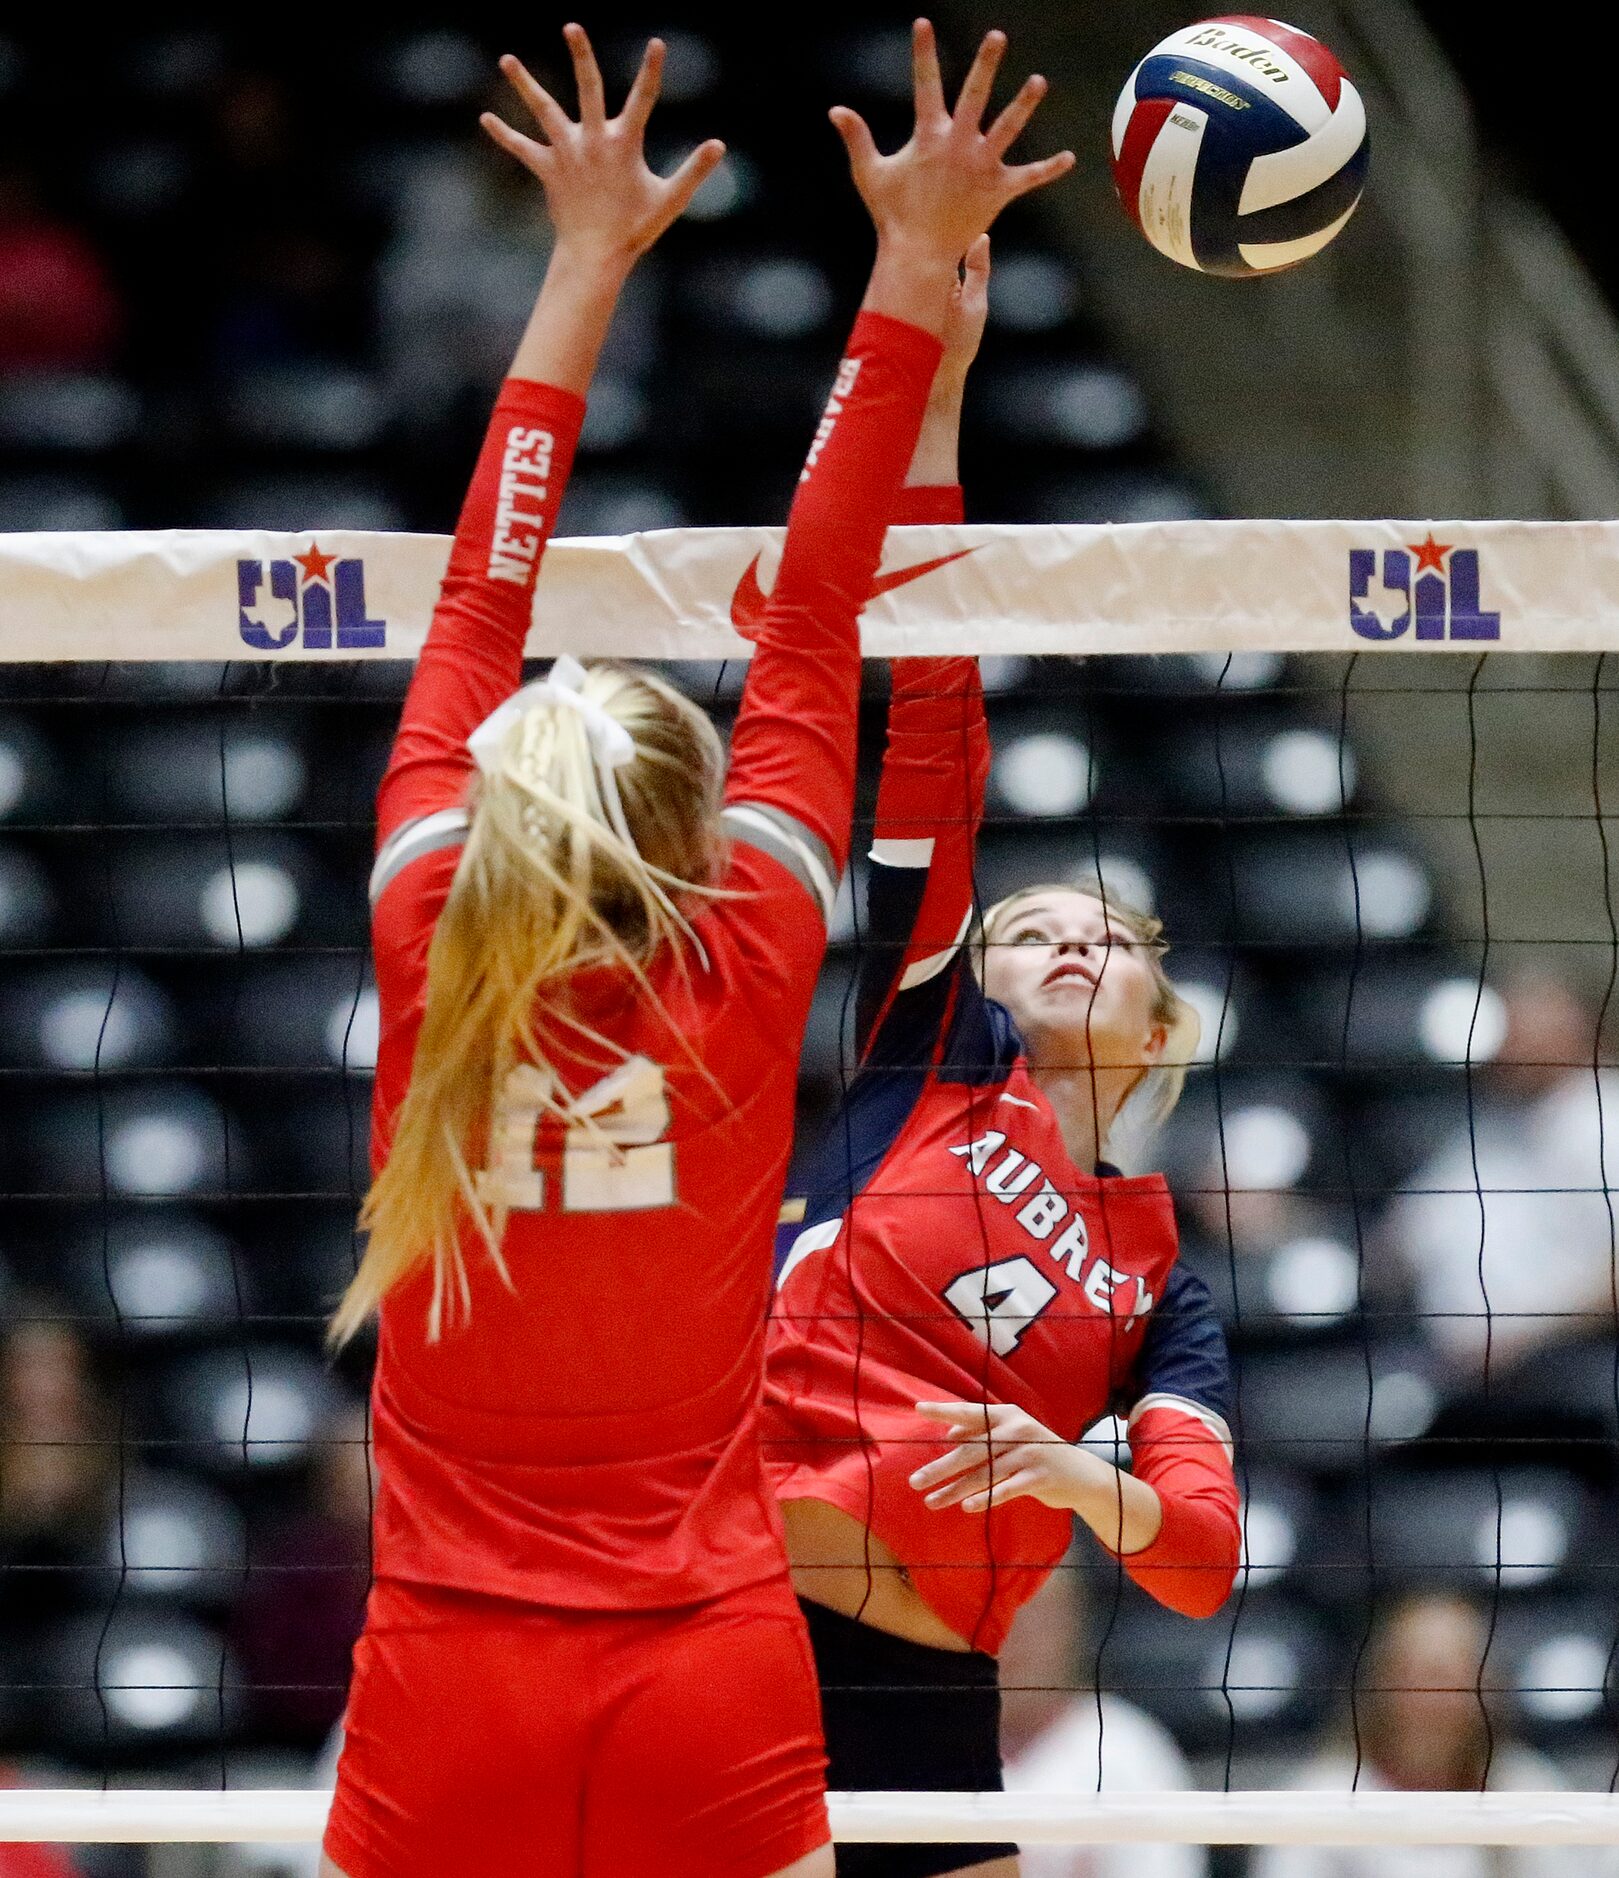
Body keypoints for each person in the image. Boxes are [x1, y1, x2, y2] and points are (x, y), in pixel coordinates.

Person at [320, 22, 1073, 1878]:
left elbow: (481, 577)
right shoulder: (738, 954)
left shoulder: (427, 918)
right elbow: (817, 602)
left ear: (491, 802)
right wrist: (907, 270)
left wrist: (576, 254)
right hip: (703, 1666)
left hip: (447, 1668)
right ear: (685, 835)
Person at [760, 242, 1239, 1878]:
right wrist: (940, 393)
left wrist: (1069, 1471)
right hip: (741, 1606)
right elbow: (936, 724)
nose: (1063, 938)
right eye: (1023, 924)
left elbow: (1193, 1560)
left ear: (1160, 1029)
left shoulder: (1160, 1281)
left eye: (1108, 934)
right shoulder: (930, 1052)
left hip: (934, 1686)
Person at [1251, 1591, 1616, 1878]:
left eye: (1457, 1678)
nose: (1438, 1700)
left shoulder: (1528, 1791)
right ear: (1384, 1684)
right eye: (1425, 1675)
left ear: (1486, 1688)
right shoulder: (1320, 1802)